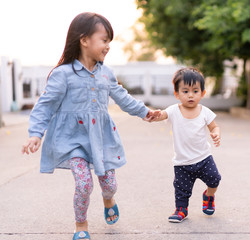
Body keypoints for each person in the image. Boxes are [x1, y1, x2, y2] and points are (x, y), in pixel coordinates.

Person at [21, 12, 159, 240]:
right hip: (72, 140)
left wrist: (145, 112)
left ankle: (109, 199)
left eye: (109, 42)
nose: (108, 46)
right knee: (84, 183)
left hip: (101, 138)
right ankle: (81, 225)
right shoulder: (63, 74)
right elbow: (45, 105)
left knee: (110, 185)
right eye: (104, 40)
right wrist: (36, 133)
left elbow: (123, 98)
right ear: (84, 40)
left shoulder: (106, 74)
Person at [153, 67, 221, 223]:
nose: (190, 95)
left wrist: (216, 134)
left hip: (204, 158)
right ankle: (181, 210)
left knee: (215, 179)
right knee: (182, 190)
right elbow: (162, 115)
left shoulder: (205, 112)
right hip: (182, 162)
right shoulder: (173, 110)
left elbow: (214, 126)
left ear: (202, 93)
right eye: (185, 91)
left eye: (195, 91)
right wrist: (155, 115)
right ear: (176, 94)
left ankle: (209, 195)